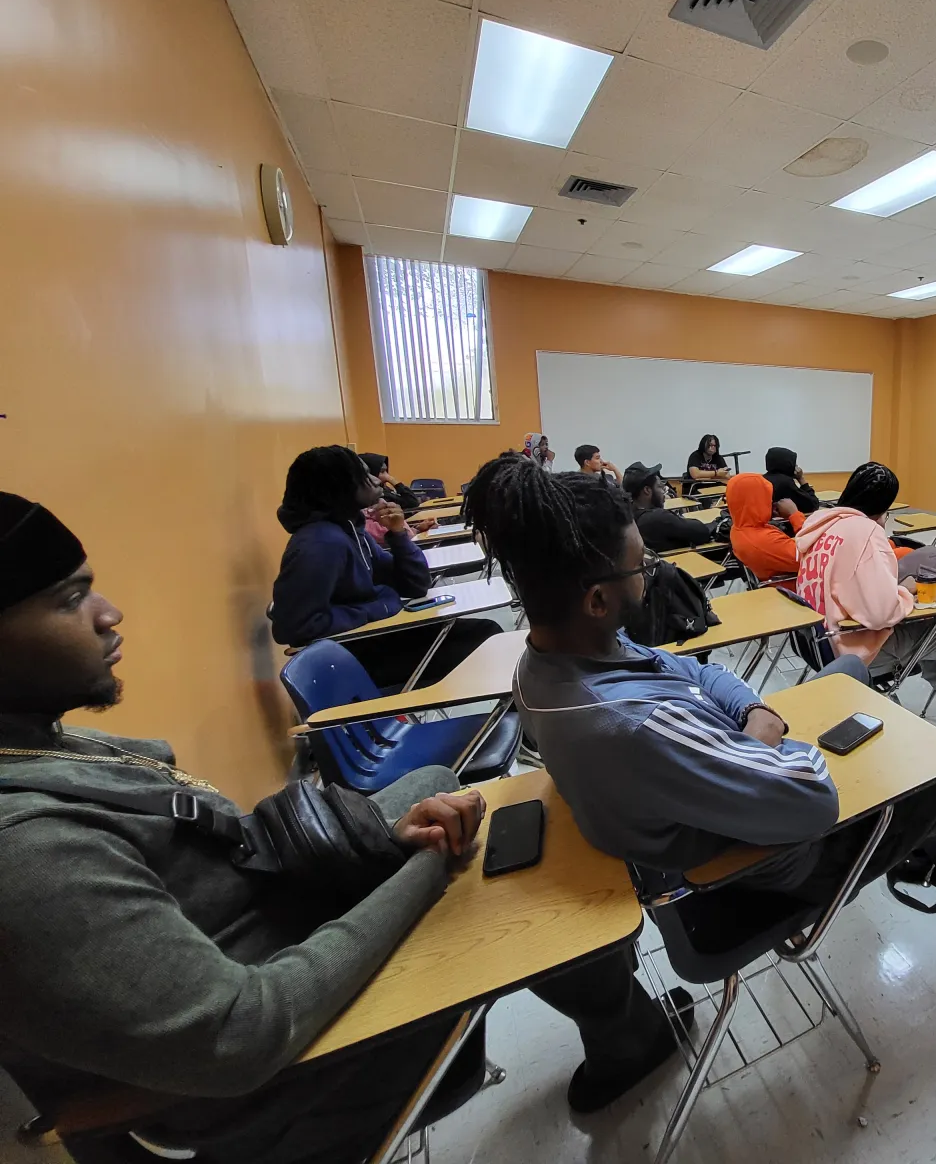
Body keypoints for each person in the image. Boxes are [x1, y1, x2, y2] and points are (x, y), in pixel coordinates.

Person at [0, 492, 693, 1163]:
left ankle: (620, 1024)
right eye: (69, 599)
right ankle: (627, 1039)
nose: (107, 612)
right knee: (516, 865)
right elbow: (242, 1031)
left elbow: (206, 858)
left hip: (262, 921)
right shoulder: (25, 855)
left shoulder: (41, 745)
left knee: (448, 790)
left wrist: (387, 844)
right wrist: (428, 865)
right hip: (290, 1082)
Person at [461, 454, 936, 986]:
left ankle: (925, 830)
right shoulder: (635, 724)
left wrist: (753, 712)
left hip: (735, 782)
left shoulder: (549, 660)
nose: (650, 576)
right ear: (598, 597)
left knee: (854, 673)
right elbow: (809, 802)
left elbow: (691, 673)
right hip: (792, 857)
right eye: (644, 566)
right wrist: (771, 744)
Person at [268, 446, 497, 690]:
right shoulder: (320, 543)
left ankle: (520, 724)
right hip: (354, 661)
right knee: (487, 638)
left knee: (487, 633)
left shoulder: (350, 530)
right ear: (340, 487)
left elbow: (416, 584)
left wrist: (398, 534)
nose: (377, 480)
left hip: (376, 642)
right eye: (365, 476)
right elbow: (292, 627)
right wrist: (379, 607)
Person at [794, 463, 936, 728]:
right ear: (885, 506)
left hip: (815, 643)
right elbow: (881, 613)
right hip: (850, 649)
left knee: (935, 633)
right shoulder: (865, 532)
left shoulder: (819, 526)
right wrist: (905, 590)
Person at [727, 473, 805, 583]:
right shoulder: (764, 540)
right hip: (799, 589)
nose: (771, 501)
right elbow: (815, 556)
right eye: (767, 497)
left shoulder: (738, 528)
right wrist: (794, 514)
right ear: (757, 500)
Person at [623, 461, 713, 555]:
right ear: (647, 490)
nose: (663, 491)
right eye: (659, 487)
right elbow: (702, 532)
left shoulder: (627, 516)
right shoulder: (660, 518)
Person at [358, 452, 424, 513]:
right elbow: (413, 502)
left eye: (386, 471)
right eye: (382, 472)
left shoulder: (384, 489)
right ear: (371, 473)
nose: (387, 476)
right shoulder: (377, 495)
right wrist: (393, 480)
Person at [763, 447, 819, 514]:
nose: (796, 465)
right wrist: (801, 479)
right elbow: (812, 505)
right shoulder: (785, 482)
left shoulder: (763, 479)